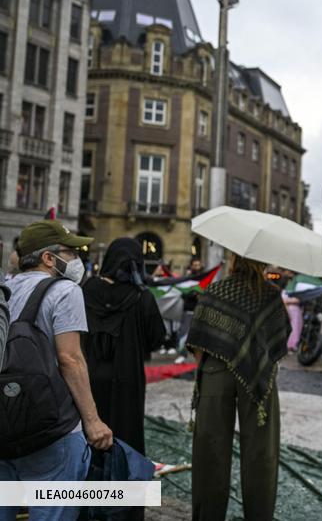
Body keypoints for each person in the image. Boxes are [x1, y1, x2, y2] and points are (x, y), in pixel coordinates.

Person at [0, 221, 113, 521]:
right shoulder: (64, 291)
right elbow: (70, 359)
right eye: (70, 252)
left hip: (4, 425)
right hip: (53, 430)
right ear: (48, 258)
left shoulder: (5, 290)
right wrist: (93, 422)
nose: (77, 258)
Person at [186, 252, 291, 521]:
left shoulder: (215, 290)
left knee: (210, 448)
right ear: (261, 262)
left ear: (233, 261)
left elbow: (197, 342)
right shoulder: (270, 294)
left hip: (215, 371)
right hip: (258, 375)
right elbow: (280, 340)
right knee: (261, 452)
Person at [81, 238, 166, 457]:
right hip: (127, 376)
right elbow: (157, 337)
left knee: (86, 432)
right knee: (125, 435)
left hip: (88, 372)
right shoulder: (142, 297)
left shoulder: (87, 290)